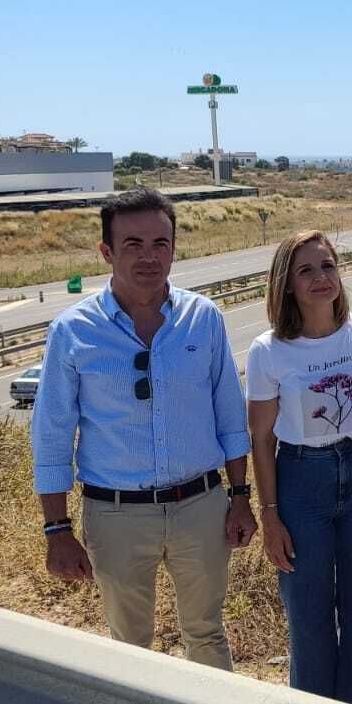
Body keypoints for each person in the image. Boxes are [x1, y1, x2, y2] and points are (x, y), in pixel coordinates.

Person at [31, 188, 256, 670]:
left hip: (201, 506)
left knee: (207, 634)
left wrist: (241, 496)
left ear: (175, 248)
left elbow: (230, 419)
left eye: (161, 243)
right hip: (115, 514)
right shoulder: (73, 331)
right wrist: (56, 529)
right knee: (129, 648)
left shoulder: (204, 319)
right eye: (133, 244)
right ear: (106, 252)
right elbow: (52, 434)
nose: (149, 257)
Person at [245, 230, 352, 703]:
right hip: (301, 480)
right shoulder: (269, 350)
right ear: (287, 284)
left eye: (328, 265)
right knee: (309, 615)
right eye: (306, 270)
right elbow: (261, 437)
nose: (321, 278)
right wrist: (270, 514)